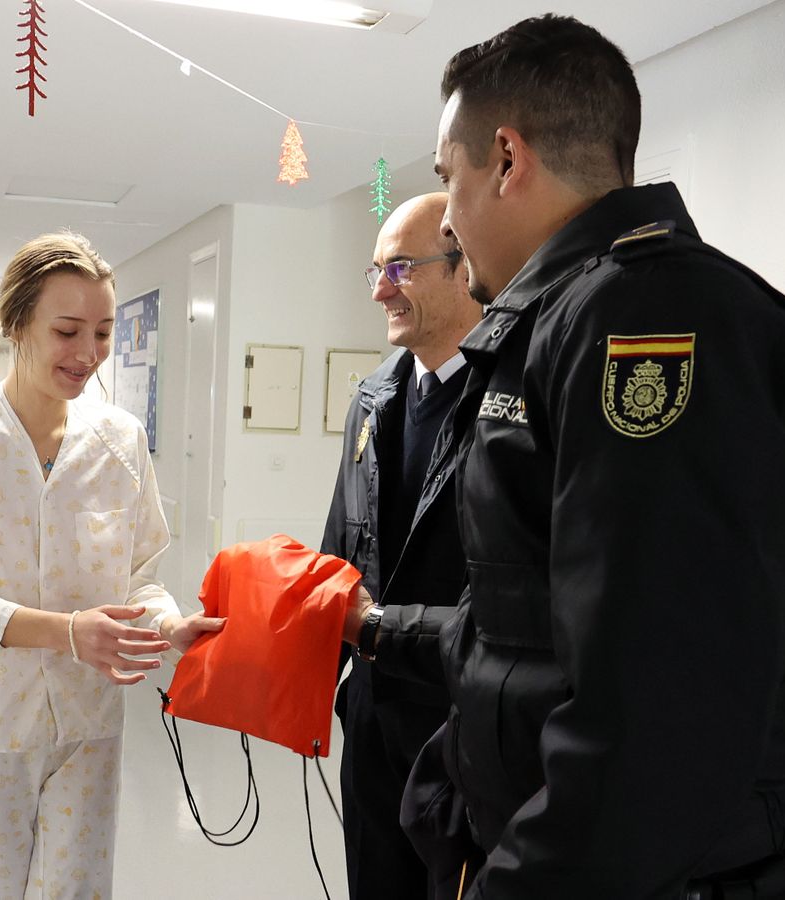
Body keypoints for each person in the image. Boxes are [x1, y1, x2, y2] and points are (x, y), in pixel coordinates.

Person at [347, 15, 785, 897]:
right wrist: (378, 630)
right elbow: (534, 627)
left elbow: (657, 712)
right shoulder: (561, 321)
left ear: (506, 160)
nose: (452, 221)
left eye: (449, 179)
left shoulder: (649, 326)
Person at [0, 232, 221, 899]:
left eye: (102, 332)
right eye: (68, 330)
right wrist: (70, 632)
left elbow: (140, 574)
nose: (88, 354)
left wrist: (166, 626)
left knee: (76, 893)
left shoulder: (120, 441)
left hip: (88, 723)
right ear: (17, 324)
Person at [321, 193, 480, 900]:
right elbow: (339, 554)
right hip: (374, 722)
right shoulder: (373, 398)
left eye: (403, 268)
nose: (383, 288)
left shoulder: (510, 398)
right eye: (377, 270)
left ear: (463, 267)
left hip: (464, 728)